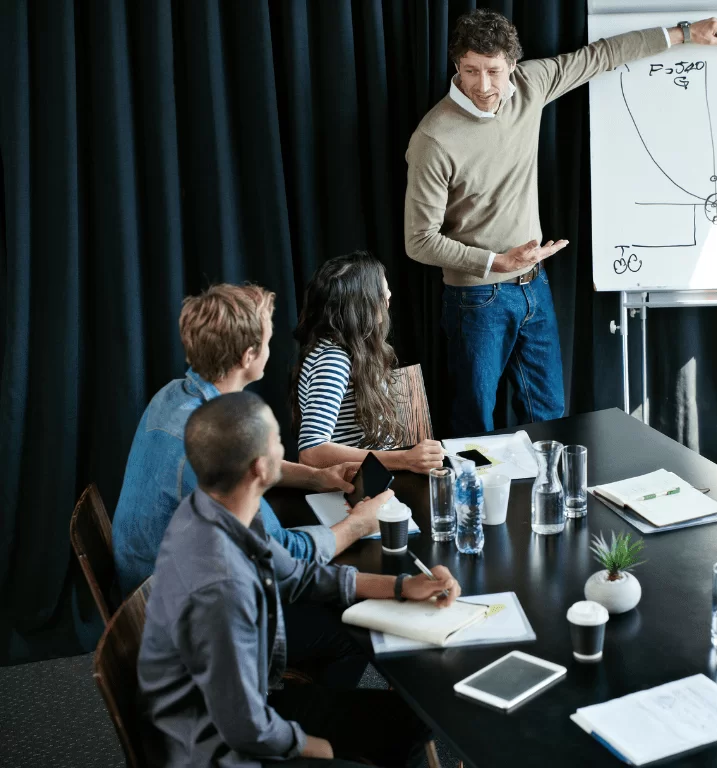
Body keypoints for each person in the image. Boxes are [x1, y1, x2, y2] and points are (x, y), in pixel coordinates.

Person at [405, 10, 717, 435]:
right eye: (470, 71)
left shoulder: (530, 84)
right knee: (475, 423)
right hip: (476, 300)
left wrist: (685, 33)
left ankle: (550, 498)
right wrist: (496, 262)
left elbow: (602, 55)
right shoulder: (434, 137)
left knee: (550, 417)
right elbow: (419, 240)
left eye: (493, 71)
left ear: (512, 64)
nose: (483, 86)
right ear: (456, 66)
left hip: (535, 288)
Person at [139, 391, 459, 766]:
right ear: (259, 468)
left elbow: (300, 575)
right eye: (277, 441)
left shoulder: (217, 512)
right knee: (404, 728)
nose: (284, 448)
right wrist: (325, 751)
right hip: (226, 748)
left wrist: (402, 587)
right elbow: (245, 727)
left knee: (410, 722)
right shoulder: (223, 590)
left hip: (247, 706)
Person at [112, 283, 388, 598]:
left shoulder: (172, 395)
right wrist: (360, 525)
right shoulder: (219, 444)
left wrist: (315, 477)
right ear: (248, 356)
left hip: (143, 582)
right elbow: (282, 555)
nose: (271, 349)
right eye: (268, 340)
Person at [292, 252, 444, 473]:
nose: (389, 294)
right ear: (360, 300)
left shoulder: (352, 348)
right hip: (357, 484)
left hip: (376, 473)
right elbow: (311, 452)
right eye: (381, 289)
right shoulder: (333, 360)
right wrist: (404, 459)